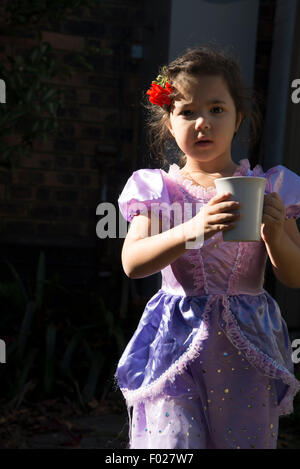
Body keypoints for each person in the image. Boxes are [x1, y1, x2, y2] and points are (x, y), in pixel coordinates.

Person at [114, 45, 300, 449]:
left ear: (239, 120)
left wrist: (273, 234)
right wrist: (191, 229)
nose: (203, 123)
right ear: (168, 122)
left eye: (217, 109)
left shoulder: (272, 187)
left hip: (248, 345)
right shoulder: (158, 189)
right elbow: (132, 262)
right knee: (174, 443)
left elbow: (294, 274)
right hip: (174, 341)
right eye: (188, 112)